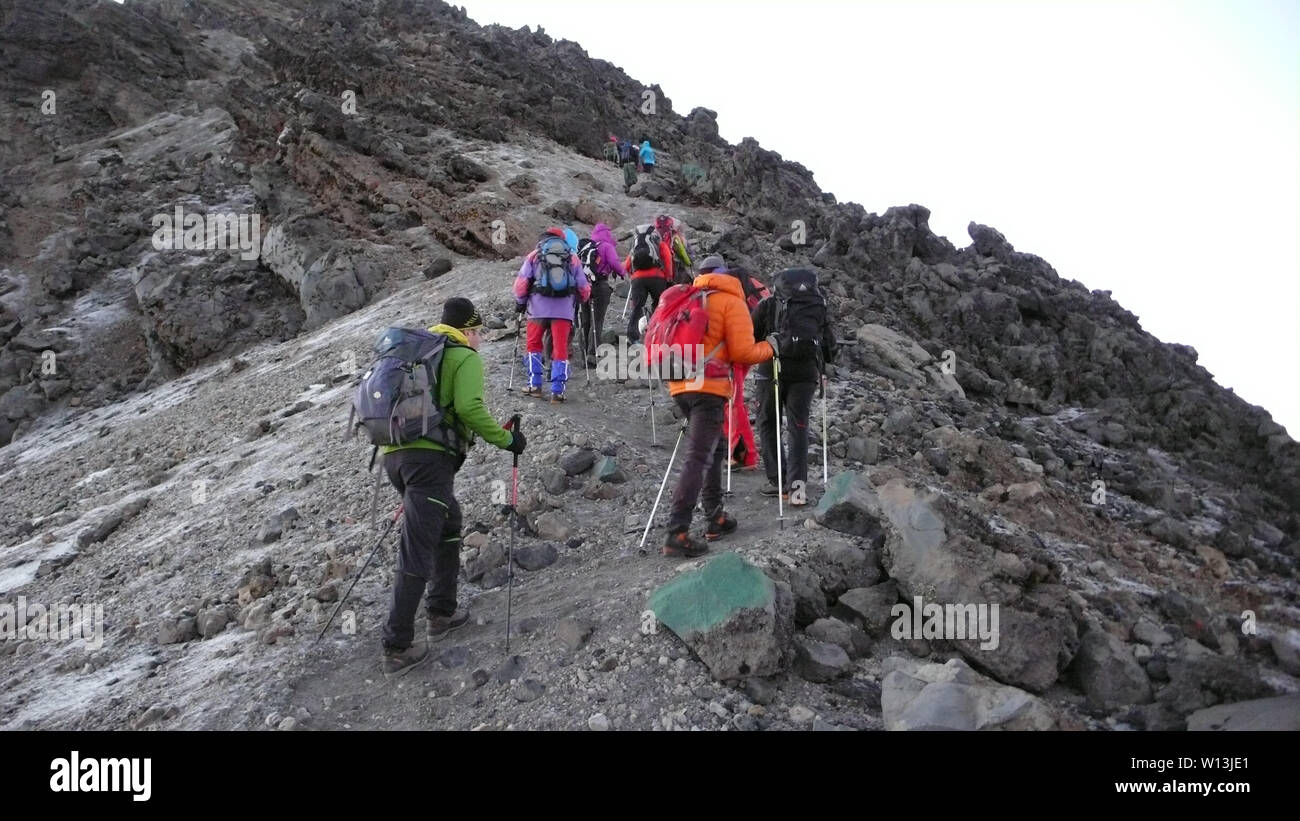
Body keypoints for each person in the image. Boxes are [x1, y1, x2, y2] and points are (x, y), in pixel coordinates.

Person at [379, 298, 527, 677]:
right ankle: (397, 647)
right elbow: (468, 408)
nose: (480, 339)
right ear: (468, 330)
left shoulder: (419, 354)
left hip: (394, 456)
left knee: (448, 521)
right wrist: (508, 441)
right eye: (478, 333)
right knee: (417, 546)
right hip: (429, 463)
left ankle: (441, 610)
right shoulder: (463, 357)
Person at [662, 256, 776, 557]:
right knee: (699, 456)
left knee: (715, 446)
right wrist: (771, 347)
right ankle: (677, 531)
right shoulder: (730, 301)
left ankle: (715, 517)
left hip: (679, 384)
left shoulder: (688, 296)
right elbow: (743, 352)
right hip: (709, 388)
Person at [752, 268, 837, 505]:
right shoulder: (818, 305)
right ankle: (797, 488)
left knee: (768, 423)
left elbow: (751, 336)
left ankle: (779, 482)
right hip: (806, 372)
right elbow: (830, 345)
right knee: (798, 427)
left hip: (772, 369)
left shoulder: (768, 304)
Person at [514, 228, 591, 402]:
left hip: (537, 310)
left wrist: (520, 302)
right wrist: (579, 300)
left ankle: (535, 385)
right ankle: (558, 391)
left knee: (533, 345)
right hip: (563, 312)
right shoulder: (572, 257)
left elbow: (522, 283)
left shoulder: (534, 256)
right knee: (560, 348)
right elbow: (583, 288)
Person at [724, 265, 770, 469]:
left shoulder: (727, 291)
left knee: (731, 401)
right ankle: (742, 453)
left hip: (735, 352)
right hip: (753, 348)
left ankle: (744, 455)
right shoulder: (755, 286)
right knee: (733, 400)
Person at [576, 223, 626, 365]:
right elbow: (615, 263)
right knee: (597, 320)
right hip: (600, 285)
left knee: (585, 320)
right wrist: (622, 272)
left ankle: (584, 354)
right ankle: (592, 354)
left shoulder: (587, 246)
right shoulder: (606, 246)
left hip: (584, 286)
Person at [623, 224, 674, 343]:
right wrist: (668, 276)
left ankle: (632, 337)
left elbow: (627, 265)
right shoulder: (658, 242)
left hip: (638, 279)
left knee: (637, 307)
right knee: (659, 304)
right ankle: (658, 333)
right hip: (657, 277)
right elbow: (667, 258)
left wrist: (632, 276)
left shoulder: (636, 246)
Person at [655, 214, 693, 284]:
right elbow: (681, 251)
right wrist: (689, 263)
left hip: (658, 266)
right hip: (673, 265)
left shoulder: (654, 235)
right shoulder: (674, 236)